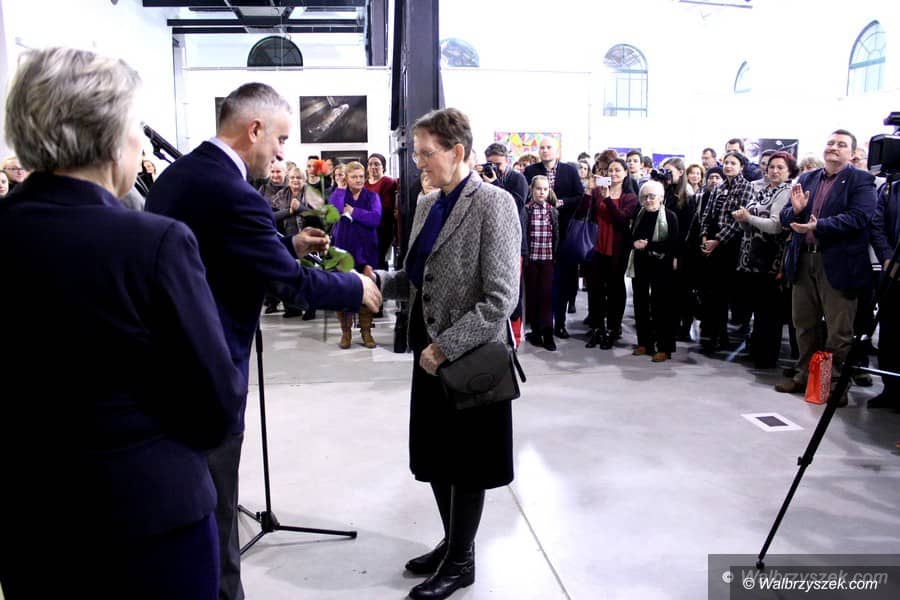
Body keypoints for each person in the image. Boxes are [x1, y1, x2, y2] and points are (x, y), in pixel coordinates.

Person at [0, 46, 244, 600]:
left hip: (30, 520)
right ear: (111, 138)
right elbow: (217, 403)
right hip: (149, 522)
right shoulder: (152, 242)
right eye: (135, 126)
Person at [145, 82, 381, 600]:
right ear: (254, 130)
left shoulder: (180, 177)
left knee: (193, 506)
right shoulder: (234, 193)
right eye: (280, 139)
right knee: (217, 515)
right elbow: (290, 284)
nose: (280, 153)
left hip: (164, 372)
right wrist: (355, 287)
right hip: (211, 374)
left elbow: (217, 250)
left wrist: (287, 243)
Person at [376, 107, 520, 600]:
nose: (418, 163)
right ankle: (454, 544)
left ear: (457, 151)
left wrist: (445, 346)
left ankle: (461, 563)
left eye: (426, 153)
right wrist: (373, 283)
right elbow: (416, 277)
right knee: (437, 457)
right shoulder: (426, 203)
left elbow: (500, 299)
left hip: (467, 357)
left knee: (468, 464)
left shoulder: (494, 205)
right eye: (416, 154)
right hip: (428, 352)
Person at [775, 129, 877, 405]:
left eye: (841, 145)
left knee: (838, 331)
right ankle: (804, 375)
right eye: (830, 143)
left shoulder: (861, 180)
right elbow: (785, 217)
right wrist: (796, 211)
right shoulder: (807, 178)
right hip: (803, 260)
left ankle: (833, 384)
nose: (833, 147)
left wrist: (818, 225)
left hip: (839, 264)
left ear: (851, 153)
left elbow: (859, 218)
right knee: (803, 324)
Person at [732, 151, 797, 368]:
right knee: (758, 310)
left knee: (769, 313)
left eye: (780, 167)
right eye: (771, 167)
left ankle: (766, 357)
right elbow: (750, 226)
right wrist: (743, 220)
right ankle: (757, 351)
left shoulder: (785, 192)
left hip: (770, 260)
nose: (774, 171)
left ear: (789, 172)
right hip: (752, 259)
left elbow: (775, 226)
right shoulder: (764, 190)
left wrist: (749, 217)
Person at [524, 137, 584, 339]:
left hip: (563, 233)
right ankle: (538, 327)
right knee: (538, 288)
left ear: (556, 150)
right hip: (537, 237)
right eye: (541, 147)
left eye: (549, 147)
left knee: (561, 284)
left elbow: (579, 196)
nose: (545, 150)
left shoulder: (569, 171)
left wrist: (561, 203)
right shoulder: (531, 171)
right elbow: (525, 197)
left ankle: (559, 324)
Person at [583, 158, 638, 349]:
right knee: (595, 290)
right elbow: (583, 213)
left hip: (617, 250)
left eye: (617, 170)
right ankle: (597, 328)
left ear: (625, 173)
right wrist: (588, 191)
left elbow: (621, 220)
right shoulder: (597, 192)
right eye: (610, 170)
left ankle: (613, 329)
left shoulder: (630, 197)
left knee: (615, 290)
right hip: (596, 247)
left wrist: (607, 199)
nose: (613, 174)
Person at [330, 161, 382, 348]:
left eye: (361, 176)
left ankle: (366, 332)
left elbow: (375, 218)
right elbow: (335, 212)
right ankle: (346, 333)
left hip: (366, 251)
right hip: (344, 252)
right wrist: (340, 188)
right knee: (344, 292)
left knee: (367, 290)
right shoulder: (339, 195)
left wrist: (354, 212)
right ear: (346, 178)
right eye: (354, 177)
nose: (359, 180)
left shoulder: (372, 196)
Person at [627, 180, 680, 362]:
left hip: (661, 266)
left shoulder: (670, 216)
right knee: (640, 304)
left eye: (651, 196)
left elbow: (673, 243)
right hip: (641, 263)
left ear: (661, 198)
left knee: (662, 307)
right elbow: (630, 236)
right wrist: (634, 243)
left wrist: (648, 245)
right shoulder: (639, 213)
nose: (648, 200)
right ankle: (644, 342)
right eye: (644, 197)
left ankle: (664, 347)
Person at [869, 178, 900, 409]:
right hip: (891, 273)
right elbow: (876, 226)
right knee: (889, 335)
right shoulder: (891, 189)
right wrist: (888, 258)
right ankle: (890, 390)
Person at [522, 175, 559, 351]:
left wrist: (555, 256)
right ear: (532, 190)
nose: (542, 192)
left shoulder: (552, 211)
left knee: (546, 295)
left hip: (548, 259)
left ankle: (548, 332)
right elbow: (523, 234)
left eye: (545, 189)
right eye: (538, 189)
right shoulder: (526, 210)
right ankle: (536, 331)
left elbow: (556, 235)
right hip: (532, 260)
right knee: (533, 295)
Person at [365, 152, 398, 270]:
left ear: (383, 167)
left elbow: (386, 207)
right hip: (366, 229)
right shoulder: (365, 183)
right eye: (370, 164)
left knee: (379, 263)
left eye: (377, 164)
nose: (373, 167)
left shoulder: (387, 182)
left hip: (381, 229)